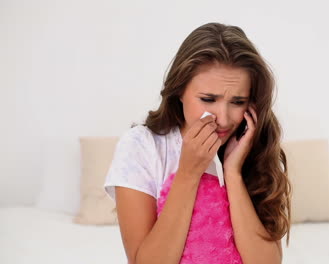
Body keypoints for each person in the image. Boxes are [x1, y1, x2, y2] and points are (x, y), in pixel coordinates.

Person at [103, 22, 291, 264]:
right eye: (208, 99)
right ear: (179, 90)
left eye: (237, 102)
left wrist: (232, 174)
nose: (223, 119)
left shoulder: (255, 148)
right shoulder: (141, 146)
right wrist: (189, 172)